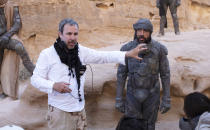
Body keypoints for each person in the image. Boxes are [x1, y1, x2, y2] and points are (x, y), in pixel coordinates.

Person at [31, 18, 147, 130]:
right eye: (69, 34)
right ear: (60, 34)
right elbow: (35, 79)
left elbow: (102, 56)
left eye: (75, 34)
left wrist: (127, 54)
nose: (72, 38)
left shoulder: (80, 51)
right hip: (60, 112)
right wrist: (53, 85)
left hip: (80, 110)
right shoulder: (47, 54)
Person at [115, 18, 171, 130]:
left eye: (145, 31)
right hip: (132, 96)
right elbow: (121, 74)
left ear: (150, 32)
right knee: (131, 125)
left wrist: (166, 98)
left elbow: (165, 74)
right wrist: (119, 99)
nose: (141, 34)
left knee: (150, 125)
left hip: (152, 96)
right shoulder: (127, 49)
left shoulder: (159, 50)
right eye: (139, 30)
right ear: (135, 32)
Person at [0, 0, 35, 98]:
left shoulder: (12, 6)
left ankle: (34, 72)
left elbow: (17, 23)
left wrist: (7, 35)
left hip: (6, 36)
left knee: (19, 46)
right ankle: (2, 91)